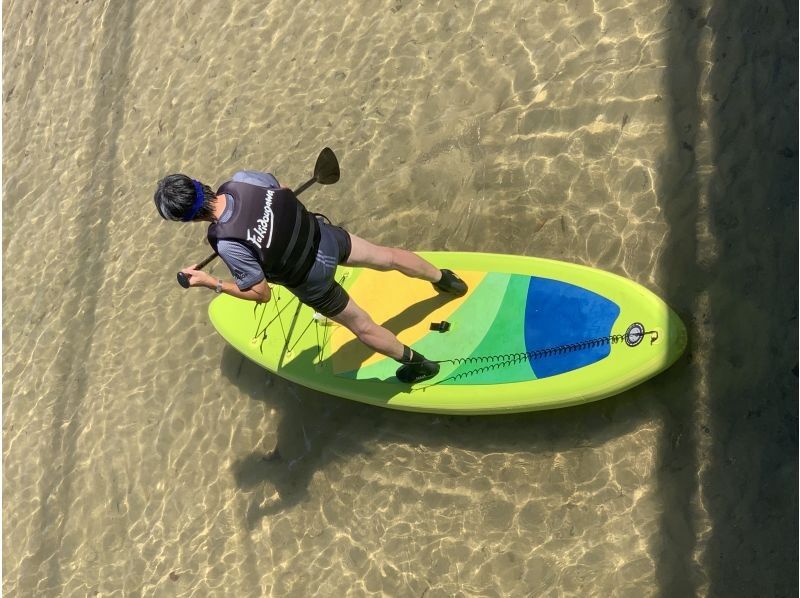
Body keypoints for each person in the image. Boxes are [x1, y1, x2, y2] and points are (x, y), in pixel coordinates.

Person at [154, 170, 468, 383]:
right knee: (388, 256)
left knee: (363, 326)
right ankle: (446, 280)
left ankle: (419, 365)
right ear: (198, 184)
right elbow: (284, 193)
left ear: (187, 219)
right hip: (325, 237)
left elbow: (261, 294)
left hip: (311, 279)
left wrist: (211, 282)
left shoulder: (225, 241)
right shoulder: (242, 179)